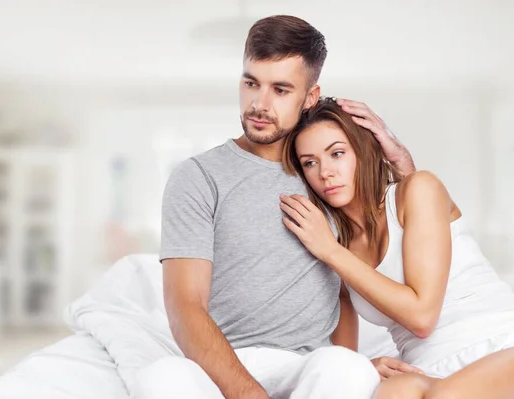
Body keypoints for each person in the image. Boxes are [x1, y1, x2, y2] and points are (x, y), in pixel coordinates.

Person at [134, 15, 419, 399]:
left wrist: (401, 159)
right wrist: (249, 393)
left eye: (281, 89)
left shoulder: (327, 176)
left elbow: (359, 275)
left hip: (305, 366)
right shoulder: (198, 177)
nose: (259, 103)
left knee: (346, 367)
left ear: (310, 97)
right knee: (159, 379)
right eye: (251, 82)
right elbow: (186, 305)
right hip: (218, 366)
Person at [280, 96, 514, 398]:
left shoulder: (418, 189)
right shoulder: (334, 247)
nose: (325, 172)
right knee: (392, 393)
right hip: (426, 369)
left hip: (506, 344)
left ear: (364, 151)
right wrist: (366, 365)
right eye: (310, 162)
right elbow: (343, 360)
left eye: (337, 153)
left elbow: (422, 318)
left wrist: (331, 252)